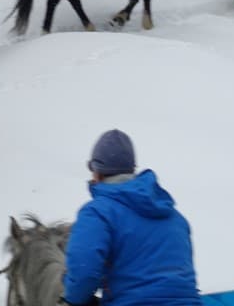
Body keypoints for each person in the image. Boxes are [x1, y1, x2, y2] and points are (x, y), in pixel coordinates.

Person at [62, 129, 202, 306]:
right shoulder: (174, 217)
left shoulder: (98, 212)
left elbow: (84, 273)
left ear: (97, 171)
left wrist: (71, 298)